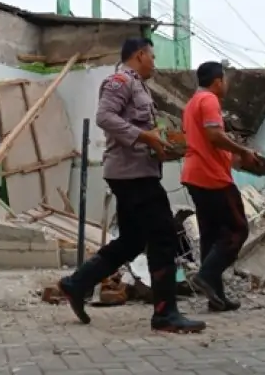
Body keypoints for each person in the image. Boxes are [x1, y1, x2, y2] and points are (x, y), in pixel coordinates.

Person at [57, 37, 206, 334]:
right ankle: (165, 314)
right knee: (164, 235)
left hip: (137, 170)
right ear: (140, 55)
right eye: (152, 56)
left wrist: (158, 145)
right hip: (131, 174)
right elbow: (104, 117)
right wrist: (145, 137)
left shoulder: (139, 86)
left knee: (133, 240)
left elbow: (137, 129)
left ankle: (76, 284)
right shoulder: (119, 81)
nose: (154, 62)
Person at [181, 61, 265, 312]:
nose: (227, 85)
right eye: (226, 80)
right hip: (212, 177)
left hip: (195, 174)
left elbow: (207, 143)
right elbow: (214, 136)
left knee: (211, 234)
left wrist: (240, 159)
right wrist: (242, 149)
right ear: (218, 81)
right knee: (237, 229)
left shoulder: (191, 104)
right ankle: (207, 275)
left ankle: (216, 298)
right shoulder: (209, 100)